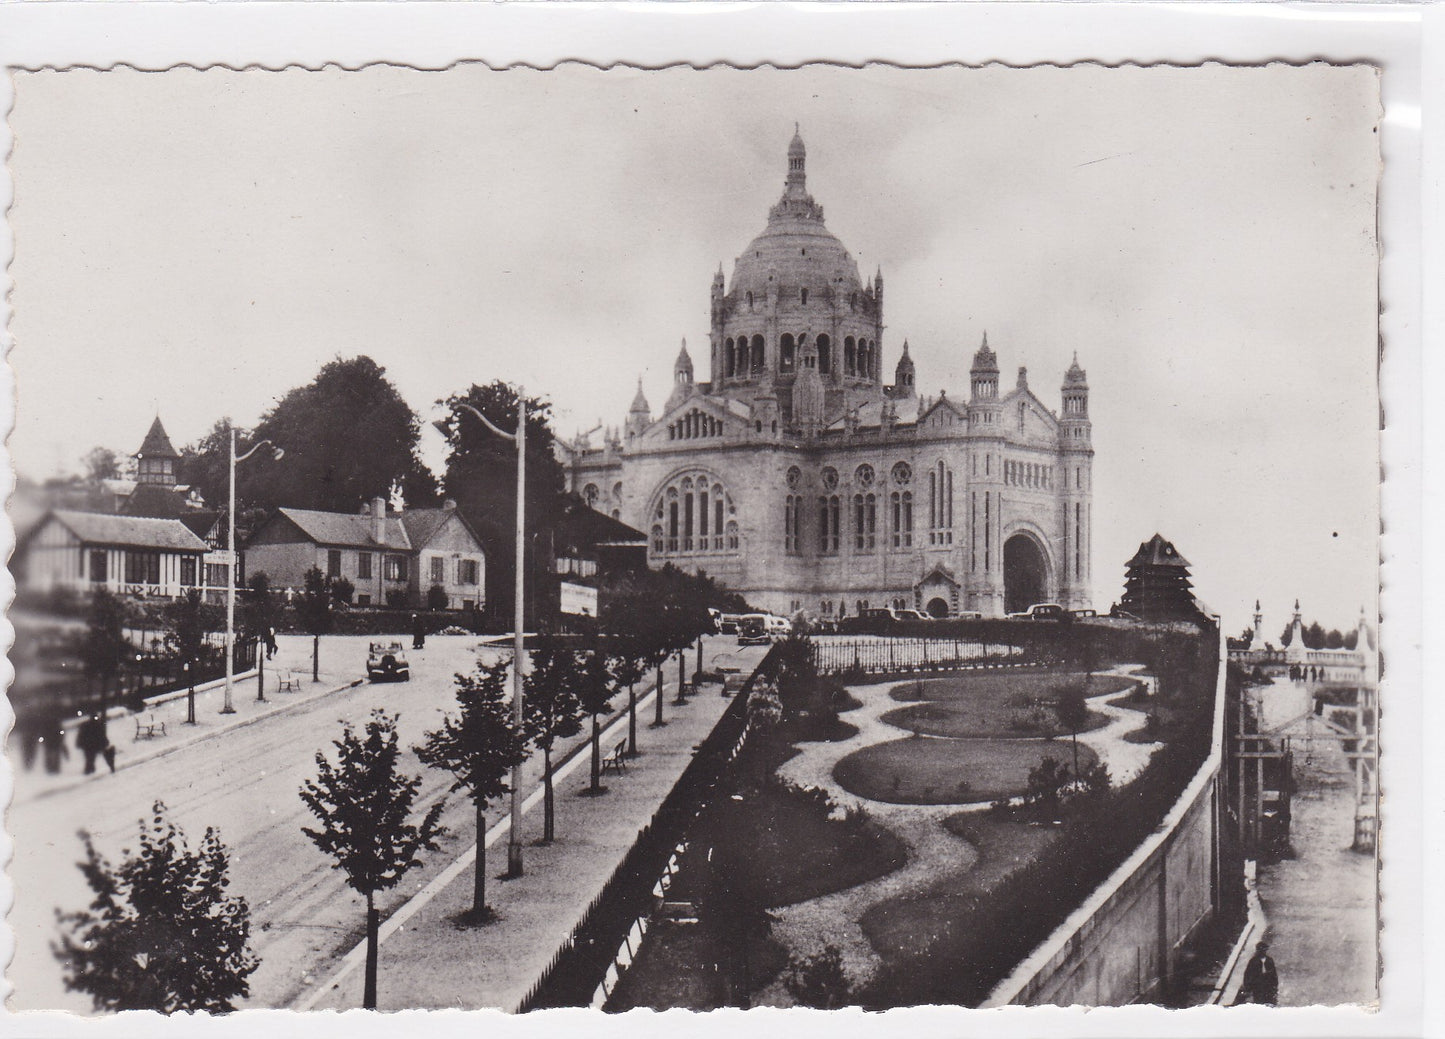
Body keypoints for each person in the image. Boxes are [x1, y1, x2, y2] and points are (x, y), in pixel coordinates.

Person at [1238, 940, 1279, 1005]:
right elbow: (1248, 974)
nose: (1262, 952)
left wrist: (1275, 985)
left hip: (1268, 985)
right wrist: (1247, 986)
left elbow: (1274, 974)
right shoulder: (1253, 961)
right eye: (1260, 950)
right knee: (1259, 1002)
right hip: (1257, 985)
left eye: (1264, 950)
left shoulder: (1269, 960)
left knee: (1269, 1002)